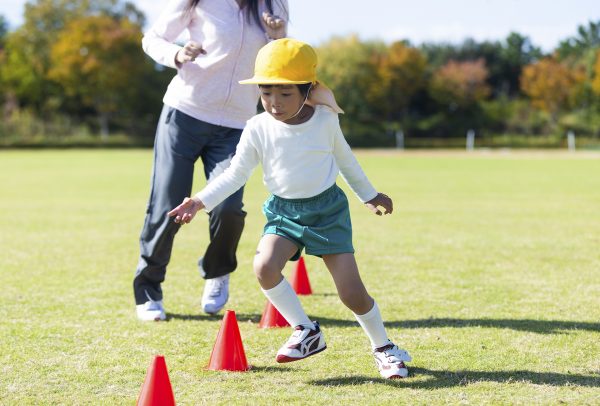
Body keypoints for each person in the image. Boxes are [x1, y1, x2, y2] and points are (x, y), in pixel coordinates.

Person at [168, 39, 413, 379]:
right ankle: (306, 330)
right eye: (266, 93)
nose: (274, 103)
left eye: (285, 94)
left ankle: (384, 348)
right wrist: (198, 201)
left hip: (327, 213)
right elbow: (236, 173)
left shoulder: (325, 122)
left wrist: (370, 195)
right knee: (264, 266)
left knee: (352, 295)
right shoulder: (257, 128)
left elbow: (346, 162)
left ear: (307, 90)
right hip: (284, 213)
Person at [134, 0, 289, 321]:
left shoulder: (273, 4)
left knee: (228, 206)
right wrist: (177, 54)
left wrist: (278, 36)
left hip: (237, 124)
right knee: (169, 203)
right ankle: (148, 289)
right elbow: (152, 39)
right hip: (185, 114)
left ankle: (218, 271)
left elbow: (281, 64)